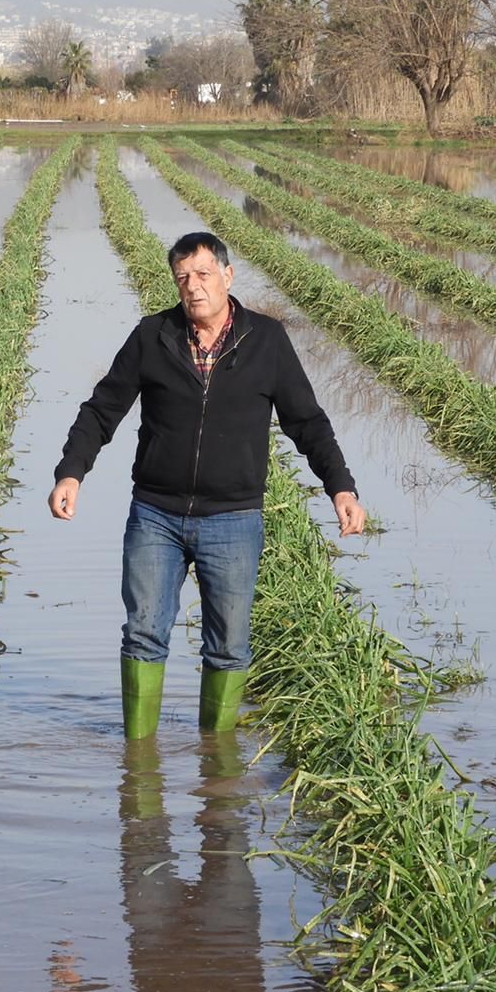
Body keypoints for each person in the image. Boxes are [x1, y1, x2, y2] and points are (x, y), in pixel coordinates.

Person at [48, 231, 364, 739]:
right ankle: (139, 766)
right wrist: (71, 471)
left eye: (202, 275)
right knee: (144, 635)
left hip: (233, 519)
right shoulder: (152, 337)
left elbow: (307, 421)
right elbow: (102, 409)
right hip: (155, 514)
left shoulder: (267, 341)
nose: (193, 287)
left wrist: (341, 488)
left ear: (227, 275)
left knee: (229, 645)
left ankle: (216, 766)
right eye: (182, 278)